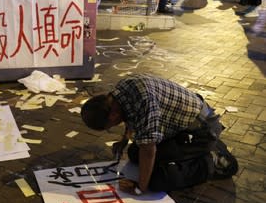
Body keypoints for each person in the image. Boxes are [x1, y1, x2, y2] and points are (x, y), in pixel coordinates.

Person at [81, 74, 238, 195]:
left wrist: (140, 188)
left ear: (112, 116)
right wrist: (124, 139)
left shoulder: (143, 102)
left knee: (158, 180)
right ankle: (198, 152)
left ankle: (211, 160)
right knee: (134, 152)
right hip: (178, 128)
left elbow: (149, 150)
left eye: (109, 126)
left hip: (200, 132)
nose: (112, 127)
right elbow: (129, 114)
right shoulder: (119, 93)